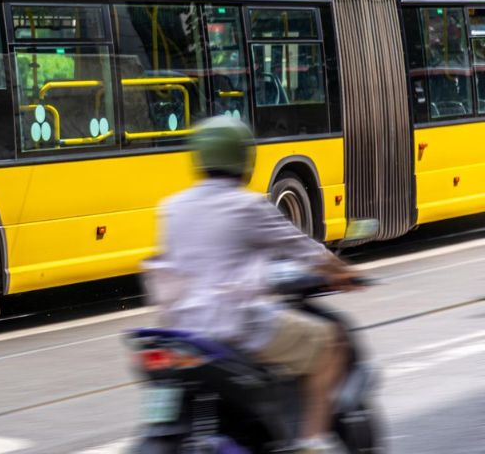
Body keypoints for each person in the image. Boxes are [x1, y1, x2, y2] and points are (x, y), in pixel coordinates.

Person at [147, 116, 361, 454]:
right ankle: (312, 441)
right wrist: (342, 272)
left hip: (182, 331)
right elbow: (304, 249)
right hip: (235, 326)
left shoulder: (172, 207)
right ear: (244, 158)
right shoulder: (248, 206)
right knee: (329, 342)